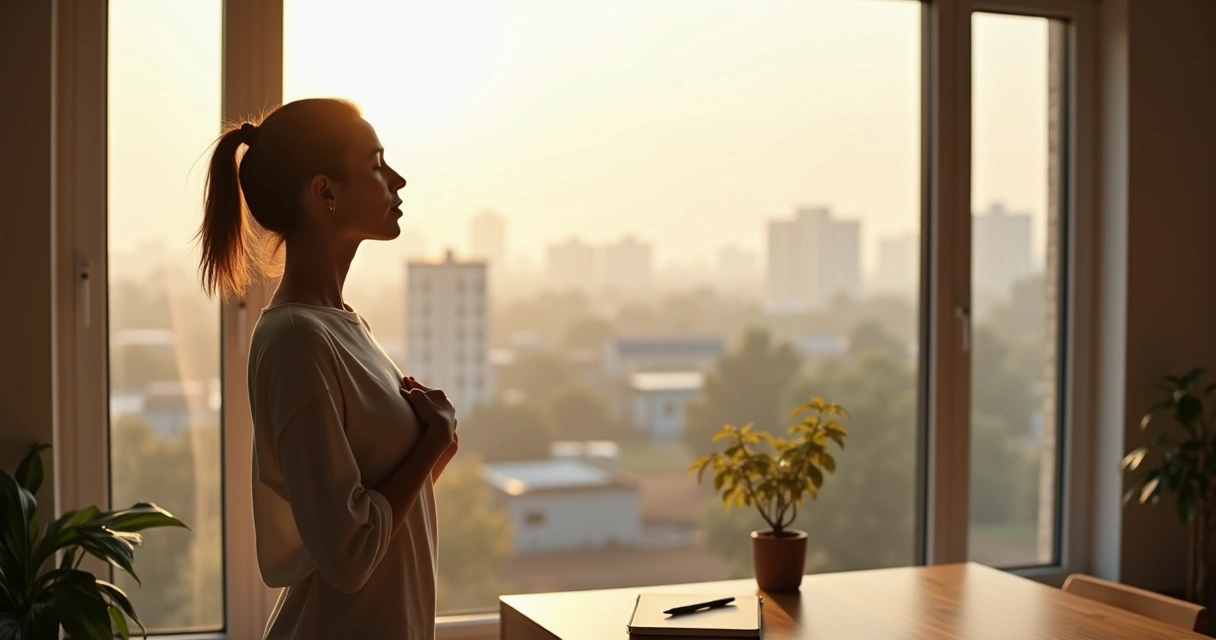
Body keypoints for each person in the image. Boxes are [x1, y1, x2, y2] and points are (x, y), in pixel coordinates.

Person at [196, 98, 458, 639]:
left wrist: (432, 456)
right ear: (325, 192)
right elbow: (348, 554)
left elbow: (366, 507)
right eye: (377, 164)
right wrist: (430, 442)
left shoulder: (341, 325)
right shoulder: (297, 340)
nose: (398, 180)